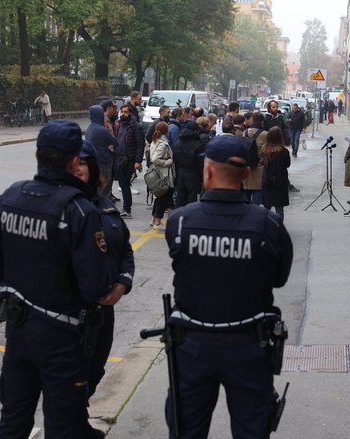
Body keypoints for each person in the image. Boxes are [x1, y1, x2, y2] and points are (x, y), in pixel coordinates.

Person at [0, 120, 112, 438]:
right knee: (62, 426)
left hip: (19, 331)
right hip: (64, 338)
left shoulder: (11, 196)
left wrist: (4, 294)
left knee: (13, 420)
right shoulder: (79, 211)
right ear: (74, 162)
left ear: (37, 154)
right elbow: (94, 286)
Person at [164, 134, 293, 438]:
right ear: (246, 175)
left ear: (207, 171)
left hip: (192, 345)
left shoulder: (180, 222)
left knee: (186, 430)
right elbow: (280, 278)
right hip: (248, 345)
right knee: (252, 429)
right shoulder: (267, 225)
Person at [75, 140, 134, 439]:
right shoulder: (62, 206)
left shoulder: (106, 205)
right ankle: (74, 424)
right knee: (73, 374)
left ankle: (80, 414)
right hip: (72, 310)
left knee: (96, 368)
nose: (78, 169)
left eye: (84, 164)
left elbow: (125, 249)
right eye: (73, 165)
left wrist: (123, 283)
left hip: (103, 308)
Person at [116, 104, 144, 218]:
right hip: (118, 159)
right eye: (122, 112)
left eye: (126, 112)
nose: (123, 114)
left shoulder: (136, 126)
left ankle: (127, 209)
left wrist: (138, 161)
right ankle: (125, 208)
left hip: (128, 160)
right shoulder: (118, 125)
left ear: (130, 113)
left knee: (125, 184)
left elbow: (140, 145)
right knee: (122, 184)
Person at [85, 105, 118, 201]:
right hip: (104, 161)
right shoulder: (102, 130)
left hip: (94, 161)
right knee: (104, 187)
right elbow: (115, 142)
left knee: (96, 185)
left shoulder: (89, 128)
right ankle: (102, 207)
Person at [173, 119, 206, 207]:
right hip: (193, 175)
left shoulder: (178, 144)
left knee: (180, 199)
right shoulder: (198, 145)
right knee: (192, 200)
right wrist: (203, 178)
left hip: (180, 173)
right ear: (195, 131)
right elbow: (201, 164)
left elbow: (174, 161)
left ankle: (179, 217)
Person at [149, 122, 175, 231]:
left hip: (158, 174)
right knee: (163, 198)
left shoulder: (155, 141)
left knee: (160, 197)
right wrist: (168, 162)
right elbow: (155, 159)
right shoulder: (162, 144)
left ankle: (154, 219)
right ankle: (157, 222)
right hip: (163, 175)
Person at [261, 126, 291, 220]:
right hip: (280, 180)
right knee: (279, 207)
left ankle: (266, 226)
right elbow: (287, 164)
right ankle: (279, 227)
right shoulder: (284, 151)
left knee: (267, 206)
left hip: (267, 180)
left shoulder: (264, 150)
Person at [242, 112, 267, 205]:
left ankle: (246, 213)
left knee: (246, 191)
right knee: (257, 191)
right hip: (259, 166)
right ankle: (254, 213)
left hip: (247, 166)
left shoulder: (245, 132)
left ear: (252, 119)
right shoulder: (265, 134)